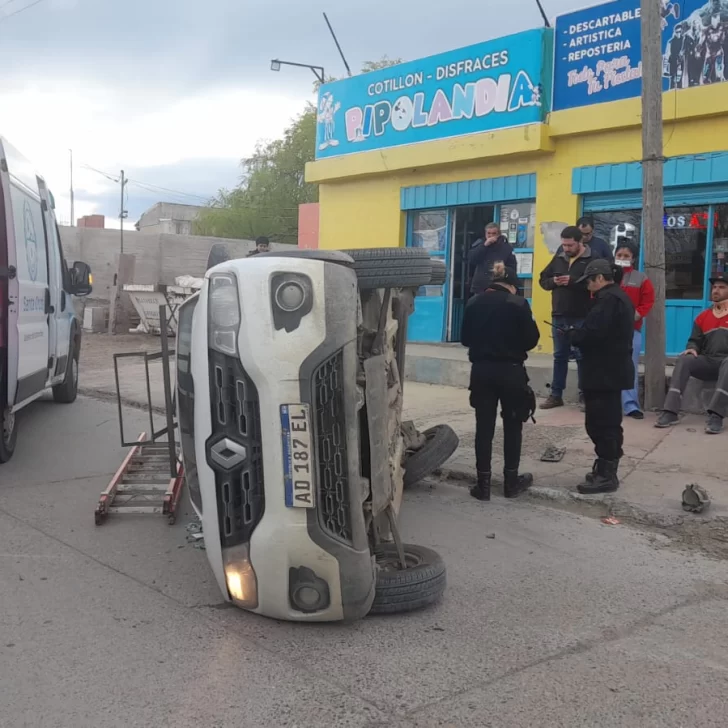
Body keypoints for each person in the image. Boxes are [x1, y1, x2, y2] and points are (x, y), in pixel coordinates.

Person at [461, 262, 540, 501]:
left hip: (482, 371)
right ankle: (510, 482)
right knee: (513, 426)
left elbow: (465, 338)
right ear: (512, 286)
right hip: (511, 372)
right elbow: (530, 340)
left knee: (483, 427)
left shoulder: (473, 302)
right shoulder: (518, 304)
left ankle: (483, 484)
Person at [568, 259, 635, 494]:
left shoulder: (608, 300)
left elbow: (592, 333)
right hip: (608, 371)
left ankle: (607, 474)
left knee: (601, 423)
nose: (587, 286)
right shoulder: (617, 297)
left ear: (599, 278)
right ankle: (606, 467)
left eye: (589, 280)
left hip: (604, 372)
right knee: (606, 422)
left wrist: (575, 335)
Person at [656, 272, 728, 435]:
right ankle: (670, 412)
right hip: (709, 361)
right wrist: (692, 348)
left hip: (727, 364)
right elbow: (694, 340)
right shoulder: (703, 317)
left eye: (722, 287)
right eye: (714, 287)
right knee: (685, 359)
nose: (716, 290)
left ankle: (716, 415)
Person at [538, 226, 594, 409]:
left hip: (581, 315)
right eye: (564, 245)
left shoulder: (591, 260)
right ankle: (556, 395)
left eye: (570, 245)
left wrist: (573, 282)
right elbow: (542, 280)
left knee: (582, 357)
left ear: (580, 242)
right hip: (559, 314)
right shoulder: (559, 257)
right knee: (559, 356)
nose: (566, 249)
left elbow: (594, 285)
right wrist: (553, 282)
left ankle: (585, 395)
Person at [615, 243, 656, 419]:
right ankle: (608, 403)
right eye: (620, 255)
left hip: (632, 330)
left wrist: (639, 314)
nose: (623, 258)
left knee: (629, 367)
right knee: (607, 366)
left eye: (626, 256)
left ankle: (630, 405)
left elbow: (648, 299)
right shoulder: (607, 275)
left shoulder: (640, 278)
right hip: (608, 330)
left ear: (633, 258)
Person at [468, 222, 517, 295]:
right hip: (481, 287)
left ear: (499, 234)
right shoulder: (480, 244)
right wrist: (484, 246)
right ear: (485, 234)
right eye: (489, 233)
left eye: (494, 233)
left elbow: (512, 267)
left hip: (500, 286)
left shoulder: (506, 247)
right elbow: (472, 259)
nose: (491, 236)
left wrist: (502, 270)